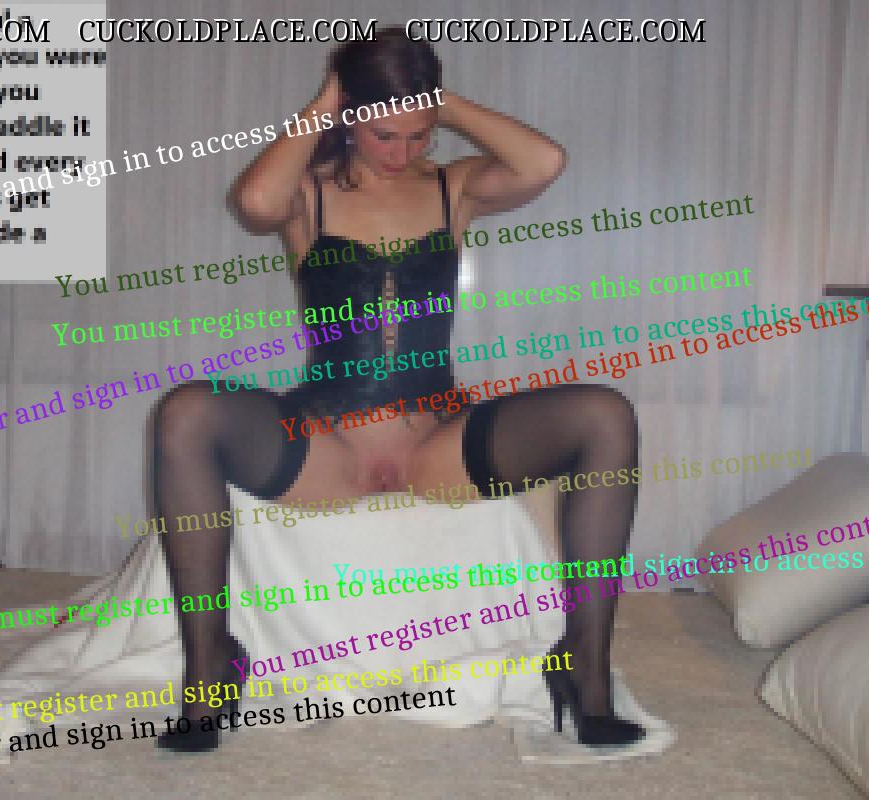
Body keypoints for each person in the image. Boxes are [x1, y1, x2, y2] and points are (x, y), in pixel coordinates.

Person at [154, 28, 644, 752]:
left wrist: (436, 100)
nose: (403, 151)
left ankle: (585, 669)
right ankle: (209, 668)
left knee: (606, 415)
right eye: (386, 134)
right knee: (184, 412)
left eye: (419, 134)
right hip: (327, 443)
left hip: (436, 442)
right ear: (350, 116)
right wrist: (334, 92)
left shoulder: (452, 187)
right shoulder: (308, 196)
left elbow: (545, 161)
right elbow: (254, 201)